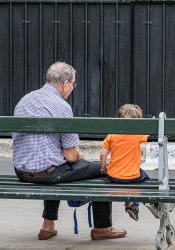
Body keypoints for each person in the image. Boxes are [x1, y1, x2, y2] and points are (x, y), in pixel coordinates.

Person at [12, 61, 126, 241]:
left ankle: (47, 226)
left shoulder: (25, 99)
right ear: (65, 84)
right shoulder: (61, 107)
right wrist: (78, 156)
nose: (73, 88)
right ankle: (102, 227)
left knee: (54, 162)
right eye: (73, 84)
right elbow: (71, 156)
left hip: (22, 172)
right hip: (47, 174)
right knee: (103, 168)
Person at [99, 104, 150, 221]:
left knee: (134, 176)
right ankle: (133, 205)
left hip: (113, 176)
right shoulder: (138, 135)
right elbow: (149, 135)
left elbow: (103, 154)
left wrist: (103, 169)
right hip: (133, 177)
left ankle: (130, 203)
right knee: (144, 178)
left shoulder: (111, 135)